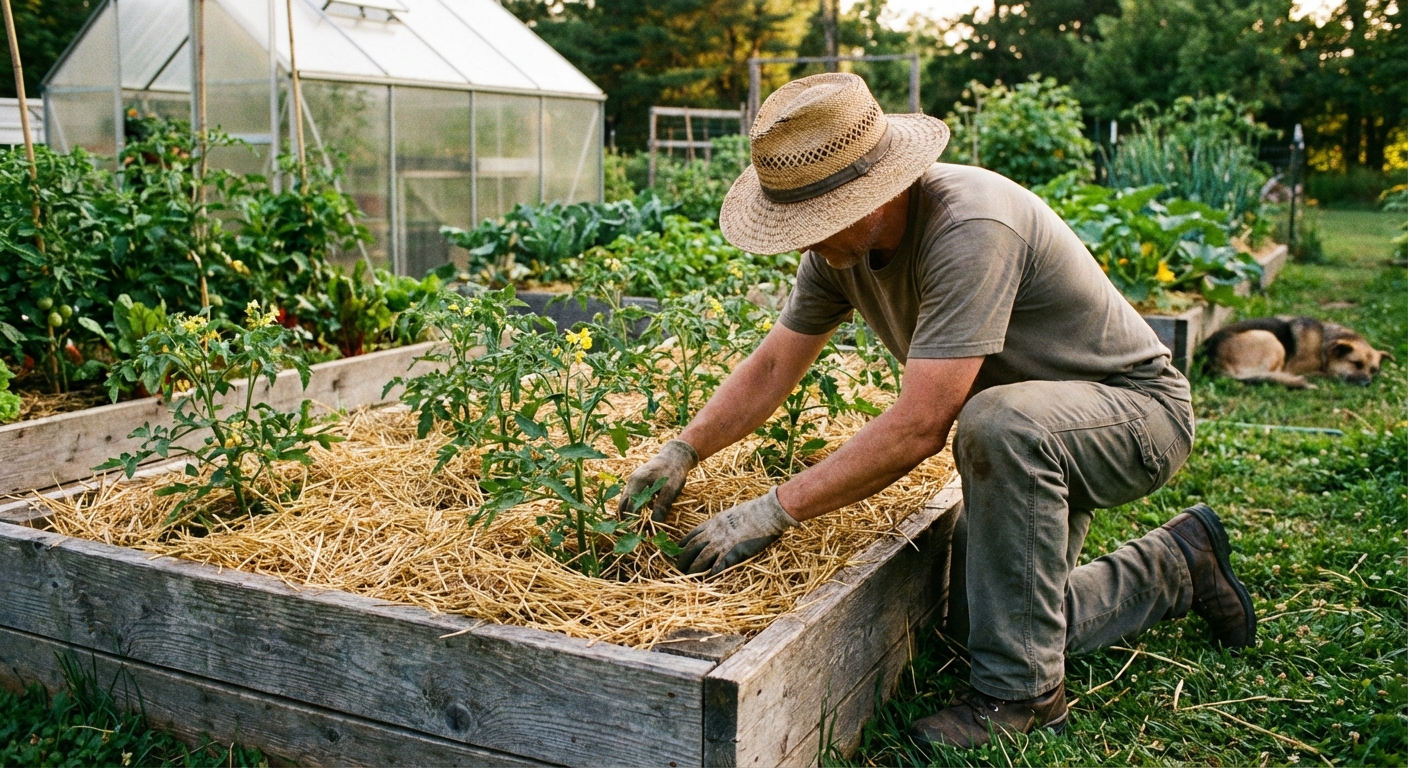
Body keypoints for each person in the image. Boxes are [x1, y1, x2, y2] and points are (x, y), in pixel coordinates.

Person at [618, 73, 1256, 749]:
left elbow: (922, 425)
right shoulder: (842, 248)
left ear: (871, 194)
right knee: (977, 626)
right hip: (1031, 434)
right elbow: (776, 363)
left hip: (1131, 417)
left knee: (996, 424)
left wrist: (774, 509)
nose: (804, 243)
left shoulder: (968, 226)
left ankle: (1024, 697)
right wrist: (684, 449)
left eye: (813, 223)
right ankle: (1177, 566)